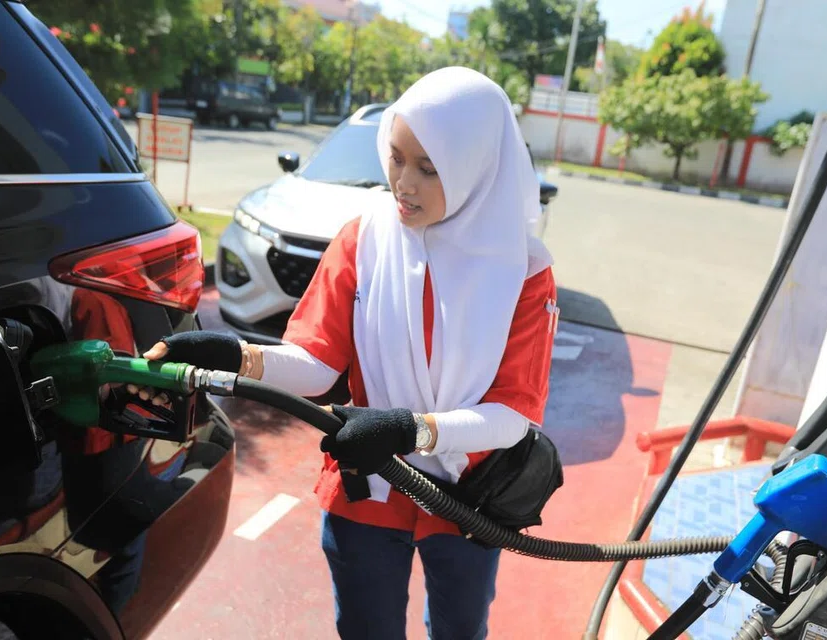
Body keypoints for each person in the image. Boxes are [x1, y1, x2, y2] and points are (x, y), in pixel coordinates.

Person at [136, 66, 559, 639]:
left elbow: (513, 417)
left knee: (460, 629)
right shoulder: (363, 238)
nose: (403, 183)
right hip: (370, 479)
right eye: (396, 158)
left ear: (477, 169)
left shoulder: (523, 270)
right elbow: (316, 365)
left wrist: (411, 430)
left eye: (429, 169)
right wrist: (235, 355)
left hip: (469, 494)